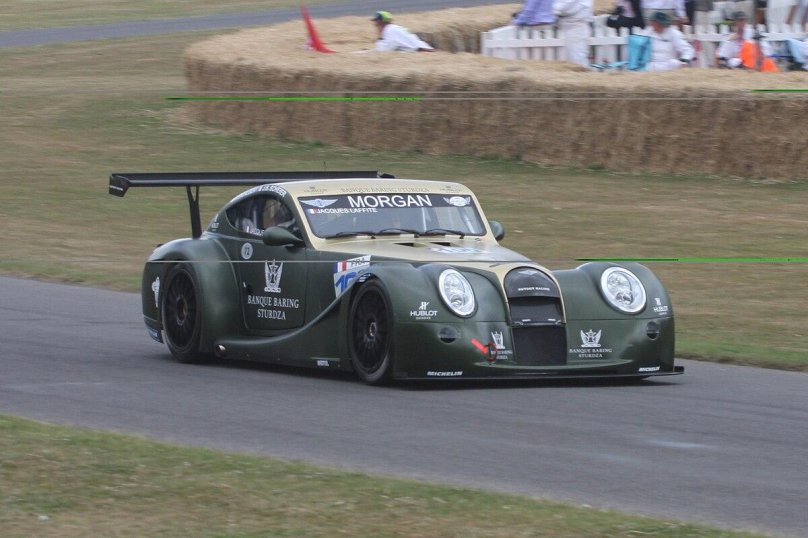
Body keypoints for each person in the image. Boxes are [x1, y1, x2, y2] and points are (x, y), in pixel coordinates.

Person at [554, 0, 594, 66]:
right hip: (572, 26)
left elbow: (563, 7)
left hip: (576, 27)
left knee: (577, 61)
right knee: (574, 59)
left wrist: (555, 9)